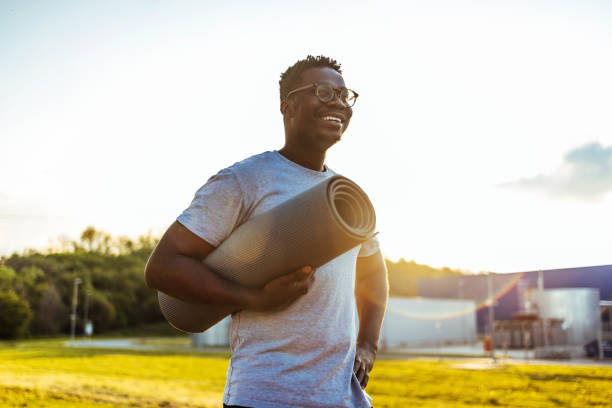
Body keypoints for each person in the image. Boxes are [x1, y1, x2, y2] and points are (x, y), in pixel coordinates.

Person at [145, 55, 388, 408]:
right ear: (287, 106)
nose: (337, 102)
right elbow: (162, 268)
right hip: (264, 395)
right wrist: (256, 299)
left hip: (342, 398)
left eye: (343, 94)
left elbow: (373, 273)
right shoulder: (245, 180)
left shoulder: (346, 196)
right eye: (322, 91)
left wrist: (368, 344)